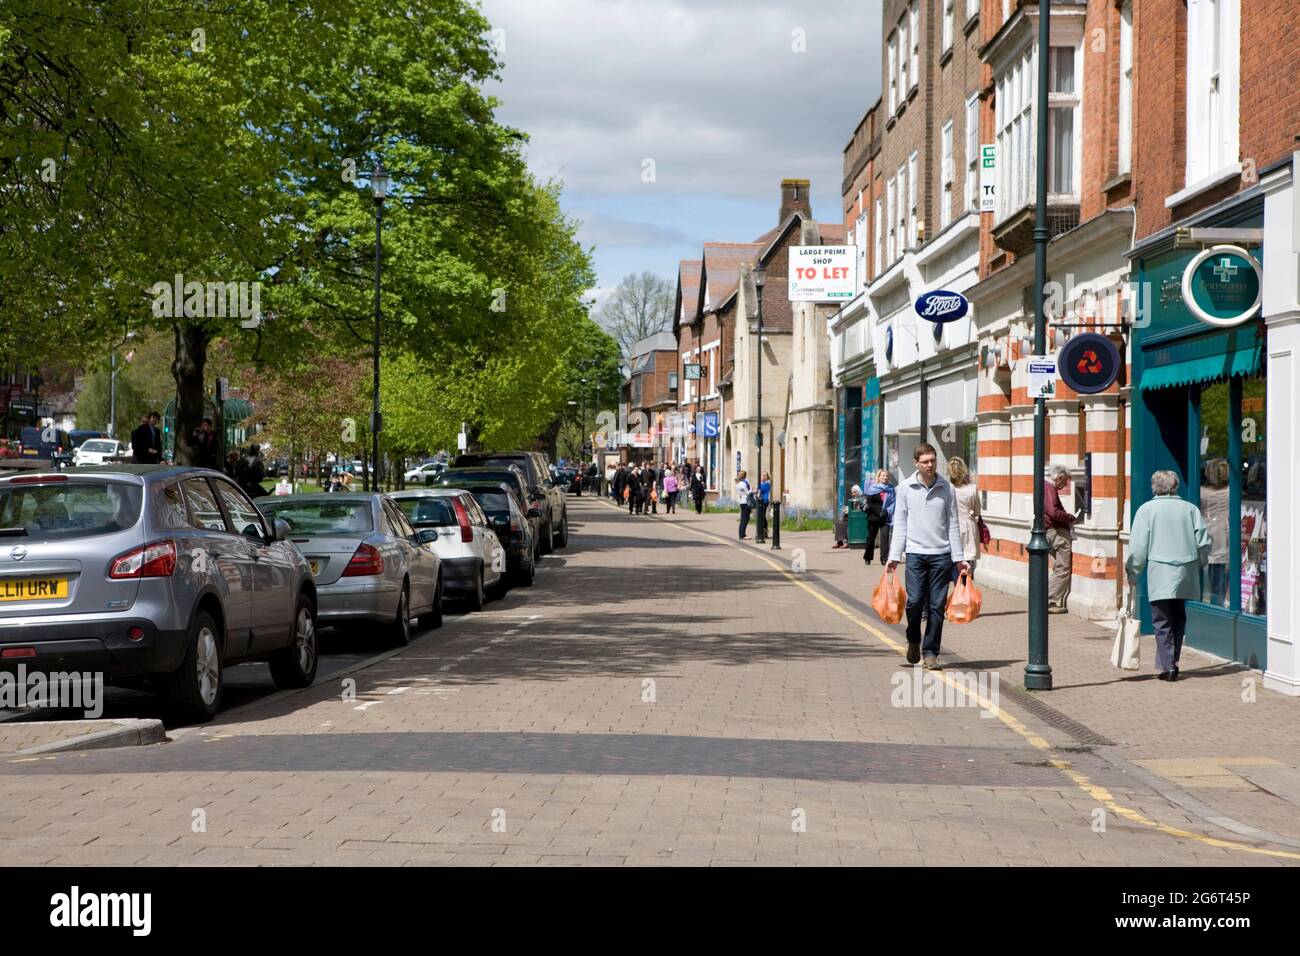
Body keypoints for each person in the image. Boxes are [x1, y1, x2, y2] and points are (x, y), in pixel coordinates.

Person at [886, 443, 969, 670]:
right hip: (914, 554)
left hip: (941, 555)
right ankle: (913, 637)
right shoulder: (904, 488)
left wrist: (959, 558)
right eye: (925, 461)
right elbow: (900, 524)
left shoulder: (946, 488)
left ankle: (931, 653)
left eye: (932, 460)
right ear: (916, 463)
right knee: (913, 602)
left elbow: (953, 524)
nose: (930, 465)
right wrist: (893, 557)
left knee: (936, 606)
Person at [1127, 470, 1212, 681]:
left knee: (1161, 619)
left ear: (1155, 486)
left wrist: (1133, 572)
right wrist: (1199, 564)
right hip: (1185, 571)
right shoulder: (1190, 509)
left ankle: (1169, 665)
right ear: (1175, 486)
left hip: (1160, 571)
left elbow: (1138, 547)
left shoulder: (1146, 510)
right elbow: (1203, 542)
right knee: (1179, 616)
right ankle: (1171, 661)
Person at [1044, 463, 1079, 614]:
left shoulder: (1044, 486)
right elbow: (1053, 512)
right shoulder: (1050, 488)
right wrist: (1070, 517)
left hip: (1048, 531)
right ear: (1059, 478)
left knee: (1057, 567)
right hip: (1055, 532)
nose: (1064, 486)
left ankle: (1045, 598)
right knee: (1062, 568)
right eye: (1064, 482)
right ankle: (1050, 601)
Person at [1200, 459, 1230, 607]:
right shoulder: (1230, 491)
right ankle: (1217, 602)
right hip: (1222, 532)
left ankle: (1213, 603)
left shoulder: (1202, 492)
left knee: (1212, 570)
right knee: (1220, 571)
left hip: (1210, 531)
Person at [947, 457, 981, 578]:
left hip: (950, 528)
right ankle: (963, 592)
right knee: (966, 568)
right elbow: (977, 511)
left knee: (951, 566)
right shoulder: (972, 489)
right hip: (968, 528)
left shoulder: (946, 488)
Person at [863, 471, 896, 564]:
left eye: (886, 476)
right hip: (873, 516)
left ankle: (884, 558)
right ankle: (867, 558)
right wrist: (878, 511)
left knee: (885, 538)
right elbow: (869, 503)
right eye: (883, 476)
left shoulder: (891, 489)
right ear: (879, 477)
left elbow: (893, 502)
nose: (885, 477)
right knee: (871, 538)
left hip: (886, 516)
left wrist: (887, 511)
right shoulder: (872, 488)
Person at [736, 470, 753, 539]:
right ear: (745, 476)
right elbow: (747, 493)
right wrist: (751, 488)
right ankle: (742, 535)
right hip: (746, 502)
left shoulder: (738, 484)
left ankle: (742, 534)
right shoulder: (744, 483)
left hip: (741, 502)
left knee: (743, 518)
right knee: (745, 519)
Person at [755, 471, 772, 543]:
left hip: (764, 501)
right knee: (761, 516)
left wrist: (756, 489)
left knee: (762, 516)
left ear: (767, 477)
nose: (762, 477)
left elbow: (759, 490)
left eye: (764, 475)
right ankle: (763, 530)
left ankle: (764, 530)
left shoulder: (766, 484)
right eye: (762, 475)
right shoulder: (762, 484)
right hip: (761, 501)